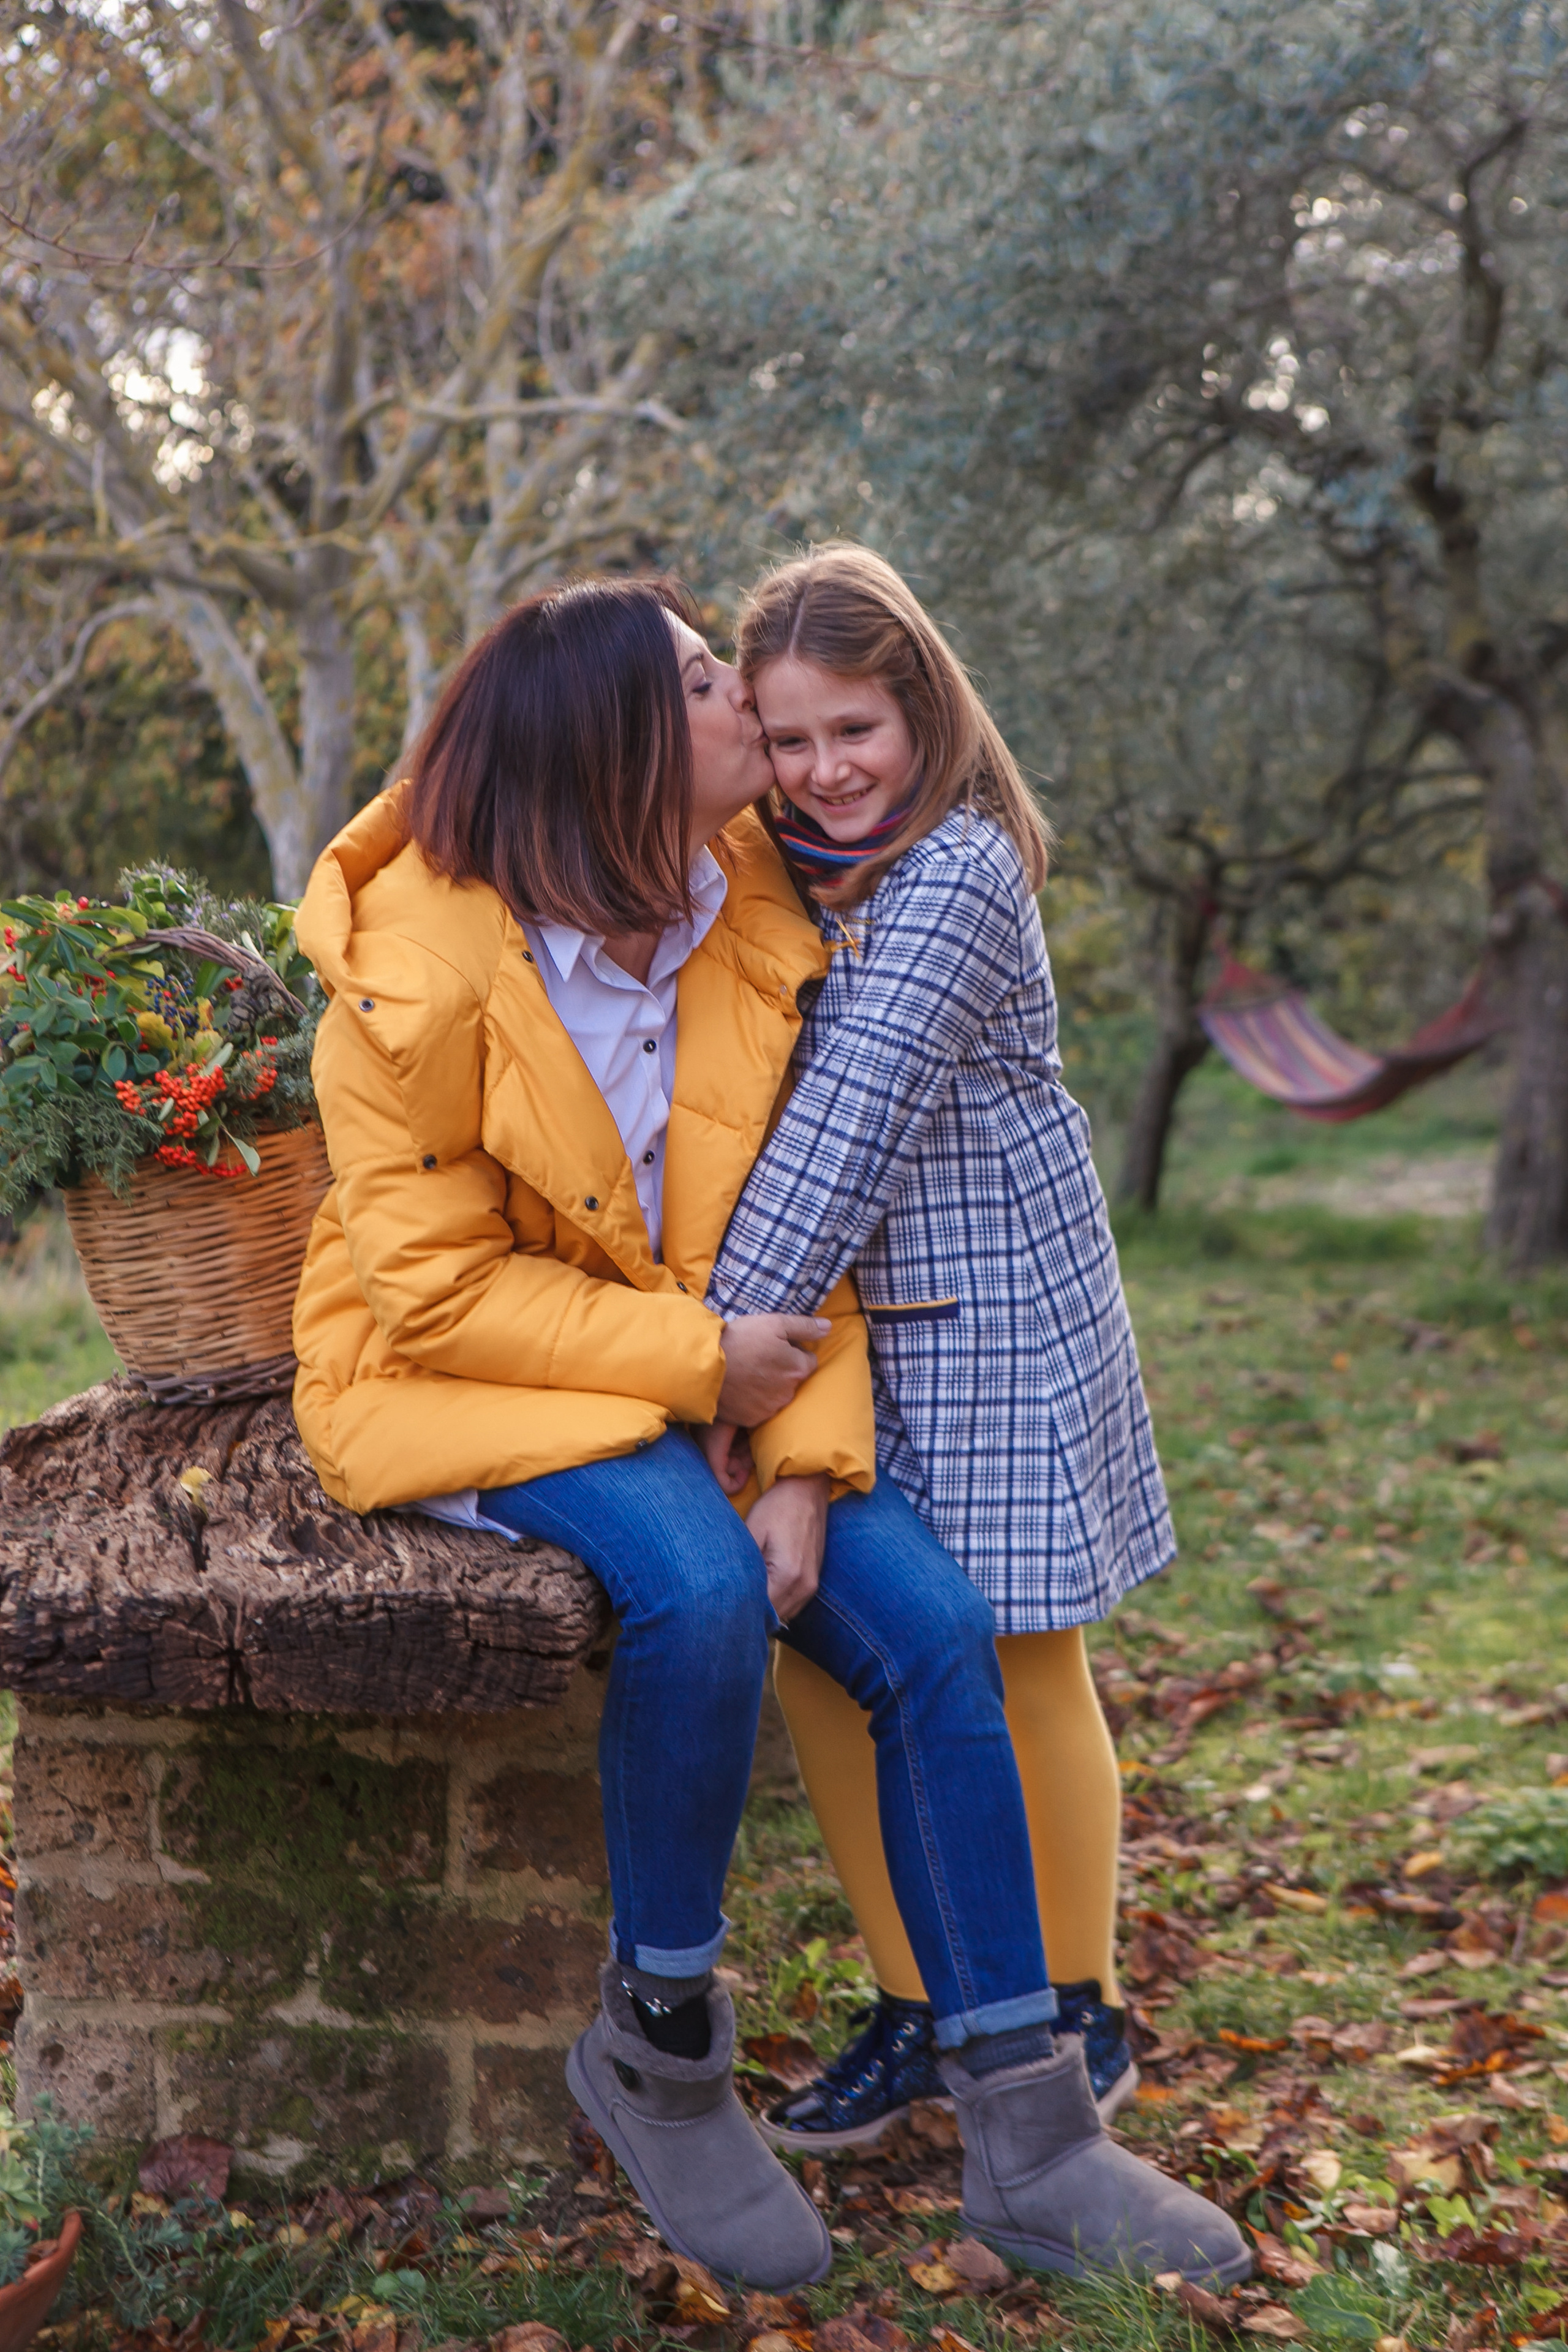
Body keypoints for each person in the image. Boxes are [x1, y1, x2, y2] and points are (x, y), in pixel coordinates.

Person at [290, 575, 1245, 2293]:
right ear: (623, 743)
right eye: (716, 681)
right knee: (701, 1596)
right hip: (468, 1380)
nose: (751, 705)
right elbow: (428, 1293)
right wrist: (705, 1371)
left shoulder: (744, 894)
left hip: (707, 1364)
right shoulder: (418, 965)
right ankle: (658, 2049)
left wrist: (802, 1450)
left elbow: (804, 1211)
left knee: (939, 1627)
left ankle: (1035, 2134)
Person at [704, 543, 1172, 2154]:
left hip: (992, 1321)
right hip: (847, 1339)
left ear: (925, 710)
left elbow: (849, 1124)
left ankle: (1077, 2008)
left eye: (857, 730)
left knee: (1020, 1653)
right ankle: (923, 2003)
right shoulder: (791, 866)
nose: (826, 770)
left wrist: (709, 1353)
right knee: (830, 1647)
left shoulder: (959, 867)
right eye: (790, 739)